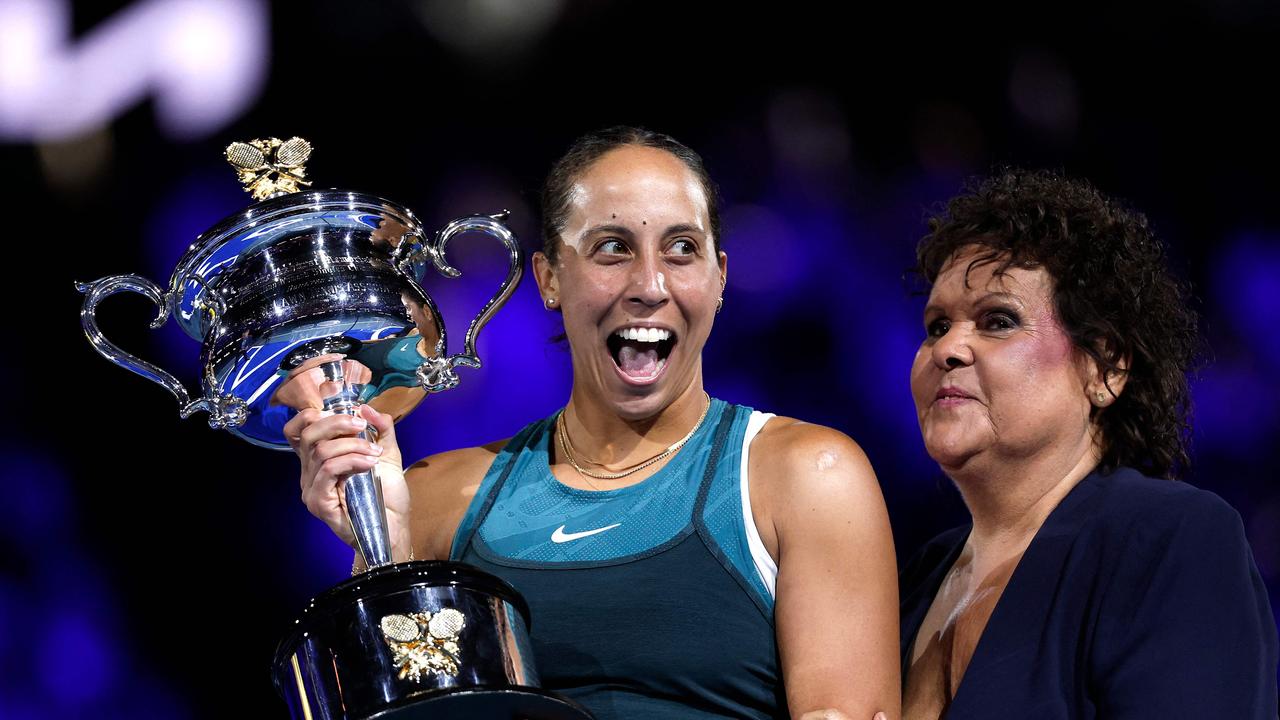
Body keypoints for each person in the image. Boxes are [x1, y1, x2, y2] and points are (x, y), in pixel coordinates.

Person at [284, 127, 901, 720]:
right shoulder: (439, 498)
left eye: (682, 249)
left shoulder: (807, 477)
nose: (650, 286)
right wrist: (384, 553)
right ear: (549, 279)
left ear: (719, 279)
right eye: (613, 249)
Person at [899, 169, 1278, 718]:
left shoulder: (1171, 536)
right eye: (936, 326)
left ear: (1105, 367)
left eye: (998, 321)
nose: (948, 349)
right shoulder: (921, 576)